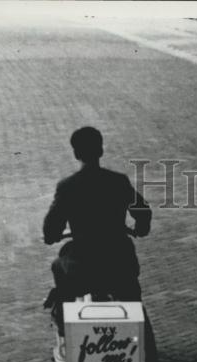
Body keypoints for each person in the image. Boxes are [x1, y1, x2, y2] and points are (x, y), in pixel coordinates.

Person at [43, 126, 151, 341]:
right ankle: (140, 334)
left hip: (83, 264)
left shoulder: (67, 186)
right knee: (131, 296)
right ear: (100, 151)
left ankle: (66, 333)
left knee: (58, 269)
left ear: (75, 153)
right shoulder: (118, 181)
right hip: (118, 259)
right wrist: (140, 228)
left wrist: (52, 235)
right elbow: (143, 211)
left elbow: (51, 226)